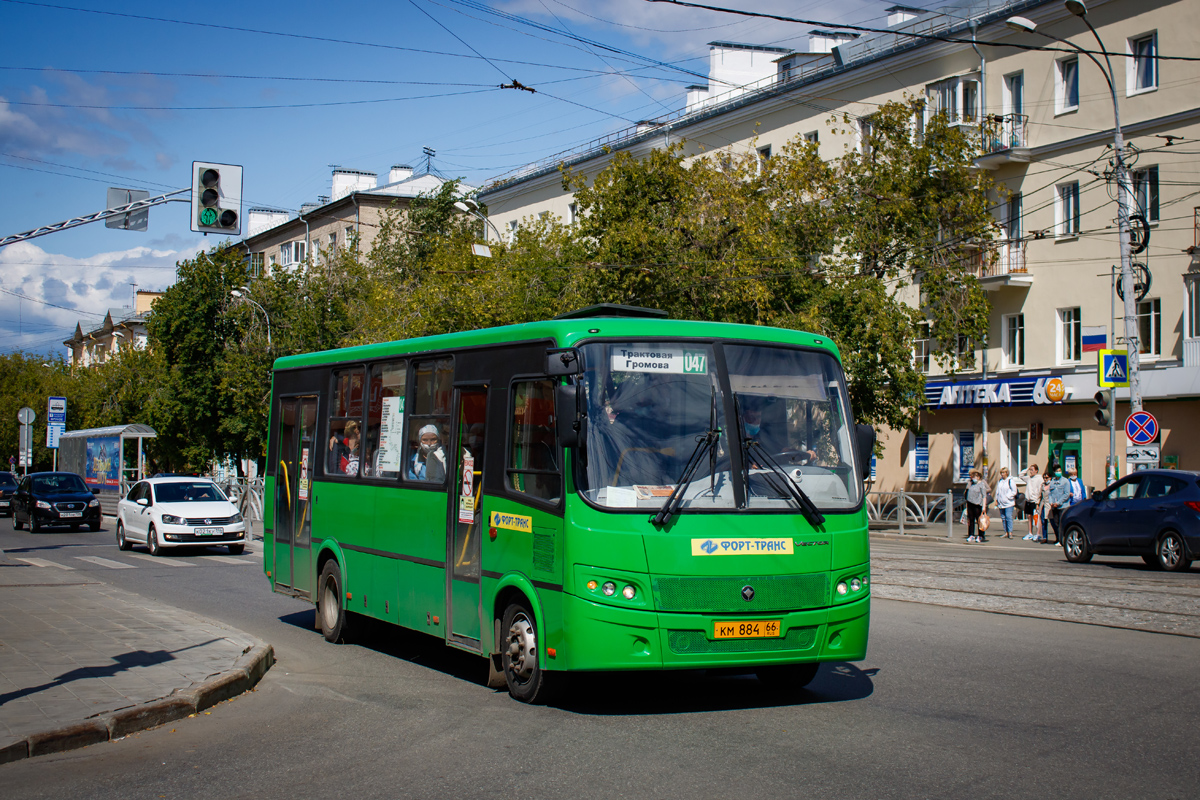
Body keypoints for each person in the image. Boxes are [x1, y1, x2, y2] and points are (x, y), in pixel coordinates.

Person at [1044, 467, 1072, 544]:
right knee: (1056, 523)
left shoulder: (1065, 481)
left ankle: (1062, 540)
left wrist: (1059, 502)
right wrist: (1051, 502)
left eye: (1060, 471)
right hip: (1054, 506)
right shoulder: (1052, 481)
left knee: (1062, 523)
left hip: (1063, 506)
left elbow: (1066, 494)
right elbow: (1050, 493)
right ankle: (1059, 539)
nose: (1058, 472)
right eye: (1057, 471)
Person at [965, 469, 990, 543]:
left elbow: (984, 496)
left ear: (979, 477)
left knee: (979, 521)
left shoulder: (981, 484)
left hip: (978, 504)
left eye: (975, 476)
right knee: (971, 520)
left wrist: (984, 507)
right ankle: (971, 535)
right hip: (970, 503)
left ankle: (981, 535)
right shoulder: (972, 484)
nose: (973, 478)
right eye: (973, 476)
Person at [994, 466, 1018, 539]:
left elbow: (1014, 491)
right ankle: (1006, 532)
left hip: (1009, 503)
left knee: (1008, 517)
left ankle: (1010, 532)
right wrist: (996, 499)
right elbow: (997, 491)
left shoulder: (1010, 481)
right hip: (1001, 503)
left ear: (1007, 473)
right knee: (1003, 518)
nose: (1002, 474)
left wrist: (1008, 497)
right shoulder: (1000, 481)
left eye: (1003, 473)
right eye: (1001, 473)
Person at [1021, 464, 1043, 541]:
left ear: (1036, 470)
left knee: (1036, 518)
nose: (1031, 471)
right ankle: (1030, 533)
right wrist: (1027, 469)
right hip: (1028, 500)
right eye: (1030, 470)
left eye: (1032, 470)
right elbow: (1020, 475)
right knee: (1029, 517)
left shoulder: (1039, 478)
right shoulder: (1029, 478)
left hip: (1035, 501)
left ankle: (1037, 534)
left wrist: (1037, 502)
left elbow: (1040, 490)